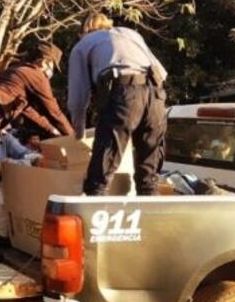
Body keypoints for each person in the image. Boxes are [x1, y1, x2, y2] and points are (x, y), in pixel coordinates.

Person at [0, 42, 73, 264]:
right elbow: (53, 109)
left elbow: (28, 111)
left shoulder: (15, 75)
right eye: (51, 67)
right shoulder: (33, 74)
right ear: (44, 62)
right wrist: (75, 139)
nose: (50, 73)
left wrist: (53, 132)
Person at [67, 14, 168, 196]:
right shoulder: (131, 34)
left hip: (124, 95)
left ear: (83, 31)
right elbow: (162, 71)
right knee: (149, 176)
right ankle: (150, 219)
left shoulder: (82, 45)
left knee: (101, 173)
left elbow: (77, 97)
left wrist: (79, 133)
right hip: (156, 95)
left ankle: (94, 217)